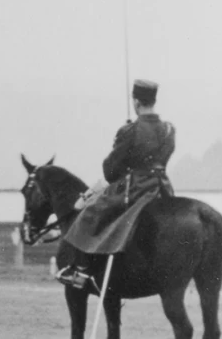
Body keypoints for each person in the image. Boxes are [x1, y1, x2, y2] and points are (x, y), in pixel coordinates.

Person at [59, 79, 177, 288]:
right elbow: (164, 159)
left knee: (90, 213)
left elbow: (110, 170)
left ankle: (82, 272)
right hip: (162, 188)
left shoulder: (130, 130)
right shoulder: (169, 130)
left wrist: (123, 140)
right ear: (153, 100)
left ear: (136, 102)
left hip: (137, 189)